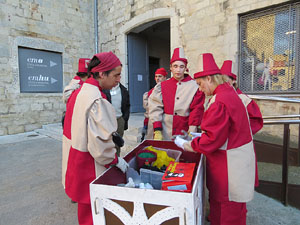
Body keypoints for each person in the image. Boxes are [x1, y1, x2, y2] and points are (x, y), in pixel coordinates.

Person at [175, 53, 256, 225]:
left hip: (229, 167)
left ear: (210, 79)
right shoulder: (229, 94)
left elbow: (212, 140)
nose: (200, 89)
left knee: (226, 213)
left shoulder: (219, 100)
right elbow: (223, 131)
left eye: (200, 84)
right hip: (237, 162)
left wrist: (187, 144)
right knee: (234, 210)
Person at [63, 52, 129, 225]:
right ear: (101, 73)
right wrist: (114, 160)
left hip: (76, 160)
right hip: (90, 166)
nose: (118, 79)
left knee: (84, 213)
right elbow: (100, 147)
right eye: (115, 75)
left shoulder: (79, 92)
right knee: (95, 215)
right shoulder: (97, 100)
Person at [221, 59, 263, 187]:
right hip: (223, 145)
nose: (223, 83)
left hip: (239, 145)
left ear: (234, 81)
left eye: (226, 79)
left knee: (238, 181)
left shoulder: (244, 99)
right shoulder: (218, 97)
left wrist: (239, 132)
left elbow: (256, 121)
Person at [148, 47, 205, 140]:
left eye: (181, 66)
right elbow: (155, 106)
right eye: (175, 66)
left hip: (185, 129)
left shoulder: (195, 85)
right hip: (166, 130)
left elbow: (197, 109)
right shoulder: (162, 86)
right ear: (170, 68)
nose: (178, 70)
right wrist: (157, 129)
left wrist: (192, 129)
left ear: (186, 68)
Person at [62, 58, 90, 189]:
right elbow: (66, 98)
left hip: (77, 127)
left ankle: (75, 187)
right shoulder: (74, 85)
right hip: (72, 127)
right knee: (72, 161)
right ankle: (72, 187)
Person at [103, 82, 130, 156]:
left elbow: (127, 105)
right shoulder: (104, 89)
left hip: (119, 120)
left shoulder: (123, 90)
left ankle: (117, 160)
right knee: (108, 143)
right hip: (108, 121)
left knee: (118, 143)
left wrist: (124, 119)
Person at [141, 68, 168, 141]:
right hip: (152, 123)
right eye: (156, 76)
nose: (157, 78)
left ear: (165, 77)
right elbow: (148, 111)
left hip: (164, 122)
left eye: (160, 76)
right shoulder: (150, 92)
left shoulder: (169, 90)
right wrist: (145, 125)